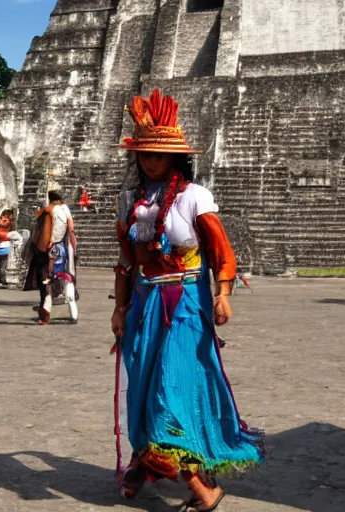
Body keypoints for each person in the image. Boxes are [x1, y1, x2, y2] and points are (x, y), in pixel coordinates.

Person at [111, 89, 262, 511]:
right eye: (144, 154)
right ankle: (145, 458)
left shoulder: (195, 196)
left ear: (176, 158)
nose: (150, 161)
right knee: (141, 385)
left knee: (169, 389)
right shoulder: (129, 202)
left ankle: (200, 486)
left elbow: (220, 250)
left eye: (159, 155)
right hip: (144, 308)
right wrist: (119, 309)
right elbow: (125, 264)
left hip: (185, 307)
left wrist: (224, 294)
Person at [24, 189, 78, 324]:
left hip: (49, 250)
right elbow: (71, 229)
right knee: (65, 277)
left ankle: (45, 313)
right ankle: (73, 311)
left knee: (46, 280)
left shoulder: (48, 211)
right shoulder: (65, 209)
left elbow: (44, 234)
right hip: (62, 248)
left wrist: (42, 247)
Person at [0, 209, 14, 287]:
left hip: (1, 244)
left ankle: (1, 279)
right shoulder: (6, 222)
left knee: (0, 263)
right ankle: (2, 279)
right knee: (3, 263)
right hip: (5, 244)